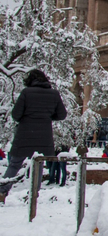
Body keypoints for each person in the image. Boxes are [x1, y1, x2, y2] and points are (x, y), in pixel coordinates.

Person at [0, 69, 67, 204]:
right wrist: (47, 117)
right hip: (44, 136)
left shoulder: (26, 93)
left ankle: (2, 191)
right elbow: (62, 115)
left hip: (24, 135)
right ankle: (34, 195)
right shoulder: (54, 94)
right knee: (39, 165)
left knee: (14, 165)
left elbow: (16, 115)